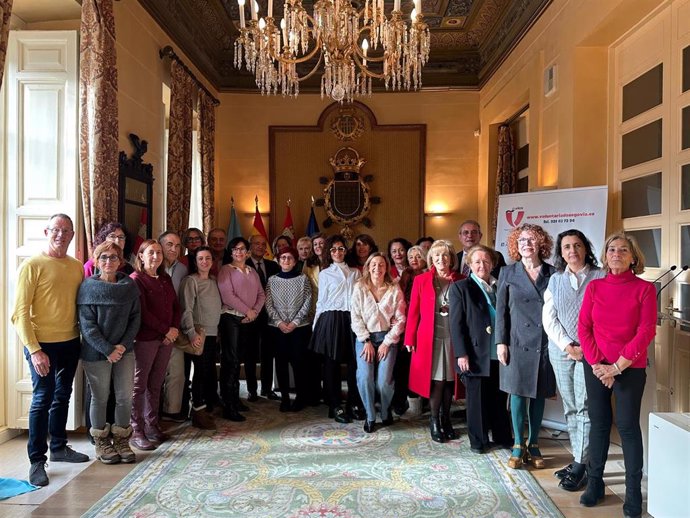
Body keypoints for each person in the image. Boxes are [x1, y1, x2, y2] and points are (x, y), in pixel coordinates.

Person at [577, 232, 656, 518]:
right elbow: (584, 328)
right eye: (612, 249)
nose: (617, 254)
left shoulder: (645, 289)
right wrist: (600, 365)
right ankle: (595, 484)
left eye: (623, 250)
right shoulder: (595, 287)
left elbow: (646, 331)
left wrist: (617, 367)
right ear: (605, 255)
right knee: (599, 424)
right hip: (597, 365)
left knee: (627, 427)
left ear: (633, 257)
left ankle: (633, 492)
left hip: (629, 367)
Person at [12, 214, 88, 487]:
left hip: (70, 342)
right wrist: (33, 350)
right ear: (47, 231)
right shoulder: (32, 265)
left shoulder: (76, 266)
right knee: (42, 398)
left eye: (66, 231)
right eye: (56, 230)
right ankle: (36, 460)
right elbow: (19, 313)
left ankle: (58, 447)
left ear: (71, 235)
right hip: (41, 345)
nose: (61, 235)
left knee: (62, 395)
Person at [542, 229, 605, 491]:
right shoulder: (555, 280)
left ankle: (581, 464)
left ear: (585, 248)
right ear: (561, 251)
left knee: (585, 407)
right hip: (562, 350)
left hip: (591, 351)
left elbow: (606, 316)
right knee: (569, 406)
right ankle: (580, 458)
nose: (572, 251)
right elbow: (549, 317)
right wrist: (568, 345)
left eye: (577, 245)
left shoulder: (601, 276)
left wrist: (584, 347)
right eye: (566, 247)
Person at [495, 223, 556, 469]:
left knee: (539, 394)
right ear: (515, 246)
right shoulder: (507, 273)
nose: (526, 244)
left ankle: (534, 443)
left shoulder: (554, 273)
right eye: (521, 241)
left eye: (531, 240)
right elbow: (501, 311)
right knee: (518, 393)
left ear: (541, 243)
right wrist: (500, 342)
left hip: (545, 343)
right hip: (516, 342)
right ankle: (518, 443)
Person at [78, 242, 141, 464]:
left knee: (125, 396)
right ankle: (102, 442)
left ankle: (122, 439)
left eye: (113, 257)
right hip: (96, 353)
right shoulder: (87, 287)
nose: (108, 261)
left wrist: (122, 346)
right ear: (96, 260)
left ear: (121, 261)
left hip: (125, 350)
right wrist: (108, 349)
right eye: (103, 257)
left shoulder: (129, 286)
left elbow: (135, 318)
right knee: (100, 397)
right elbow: (87, 325)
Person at [449, 245, 512, 454]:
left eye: (486, 261)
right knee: (477, 401)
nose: (482, 265)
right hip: (475, 353)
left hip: (499, 352)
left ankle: (502, 436)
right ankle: (479, 441)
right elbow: (456, 324)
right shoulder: (460, 287)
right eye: (477, 262)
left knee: (499, 397)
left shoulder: (499, 285)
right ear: (470, 265)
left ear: (493, 264)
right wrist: (461, 353)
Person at [405, 240, 463, 443]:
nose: (441, 259)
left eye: (445, 255)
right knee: (437, 381)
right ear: (431, 259)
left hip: (453, 338)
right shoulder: (422, 280)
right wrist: (409, 337)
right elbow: (413, 311)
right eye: (436, 256)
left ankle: (447, 420)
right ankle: (435, 421)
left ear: (451, 259)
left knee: (449, 381)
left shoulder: (461, 279)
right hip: (430, 337)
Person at [129, 239, 181, 451]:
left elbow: (176, 306)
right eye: (151, 253)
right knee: (139, 385)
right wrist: (165, 330)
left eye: (159, 253)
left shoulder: (165, 278)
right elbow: (142, 313)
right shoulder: (136, 280)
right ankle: (136, 430)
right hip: (146, 338)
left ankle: (152, 425)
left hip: (166, 339)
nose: (156, 257)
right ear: (141, 255)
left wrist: (174, 329)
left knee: (156, 383)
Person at [309, 234, 363, 422]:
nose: (337, 252)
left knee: (354, 364)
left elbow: (360, 299)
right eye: (333, 249)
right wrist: (316, 326)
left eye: (341, 248)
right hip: (330, 319)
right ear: (328, 253)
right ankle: (334, 405)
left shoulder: (356, 272)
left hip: (352, 319)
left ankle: (354, 403)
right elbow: (321, 301)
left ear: (346, 251)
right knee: (331, 364)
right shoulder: (325, 273)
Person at [351, 253, 406, 433]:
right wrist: (366, 340)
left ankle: (385, 410)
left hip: (387, 339)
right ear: (368, 267)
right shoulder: (359, 287)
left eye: (381, 264)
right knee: (365, 376)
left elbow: (400, 319)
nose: (377, 268)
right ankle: (370, 415)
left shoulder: (394, 288)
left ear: (386, 267)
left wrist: (387, 342)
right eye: (373, 264)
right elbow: (355, 317)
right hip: (364, 338)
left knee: (383, 381)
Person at [217, 237, 265, 420]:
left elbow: (261, 294)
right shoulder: (225, 270)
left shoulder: (252, 271)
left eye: (242, 248)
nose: (239, 252)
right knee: (231, 361)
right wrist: (248, 311)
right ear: (231, 252)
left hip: (249, 320)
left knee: (240, 360)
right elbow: (228, 296)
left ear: (248, 251)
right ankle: (228, 405)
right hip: (231, 319)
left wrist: (254, 312)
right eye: (235, 249)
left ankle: (235, 399)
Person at [179, 245, 222, 431]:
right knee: (200, 372)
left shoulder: (213, 281)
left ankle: (205, 406)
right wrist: (191, 332)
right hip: (198, 334)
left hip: (213, 333)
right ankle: (198, 409)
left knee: (208, 372)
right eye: (201, 258)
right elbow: (186, 308)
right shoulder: (191, 281)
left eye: (208, 258)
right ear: (195, 262)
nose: (205, 262)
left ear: (212, 261)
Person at [264, 247, 313, 412]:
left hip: (299, 329)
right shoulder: (272, 280)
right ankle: (285, 398)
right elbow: (268, 303)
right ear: (278, 260)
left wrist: (294, 323)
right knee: (281, 364)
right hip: (277, 329)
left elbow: (307, 301)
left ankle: (301, 397)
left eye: (290, 258)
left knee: (300, 364)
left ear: (295, 261)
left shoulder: (303, 279)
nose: (286, 260)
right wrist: (279, 323)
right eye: (283, 257)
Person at [392, 244, 427, 416]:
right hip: (405, 322)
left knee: (420, 364)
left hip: (424, 324)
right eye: (411, 256)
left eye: (418, 256)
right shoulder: (406, 274)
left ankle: (421, 401)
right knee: (402, 364)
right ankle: (400, 399)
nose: (414, 259)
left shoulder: (428, 275)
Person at [159, 231, 190, 423]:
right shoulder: (151, 266)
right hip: (154, 330)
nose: (173, 249)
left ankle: (171, 412)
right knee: (155, 375)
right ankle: (151, 415)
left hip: (176, 328)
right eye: (169, 244)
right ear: (160, 245)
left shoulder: (183, 269)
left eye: (177, 246)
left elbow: (181, 301)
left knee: (176, 373)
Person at [246, 234, 281, 400]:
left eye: (262, 244)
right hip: (250, 316)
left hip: (270, 317)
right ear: (250, 246)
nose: (260, 247)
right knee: (250, 353)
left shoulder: (273, 266)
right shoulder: (242, 265)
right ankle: (252, 390)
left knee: (268, 353)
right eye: (256, 243)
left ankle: (267, 389)